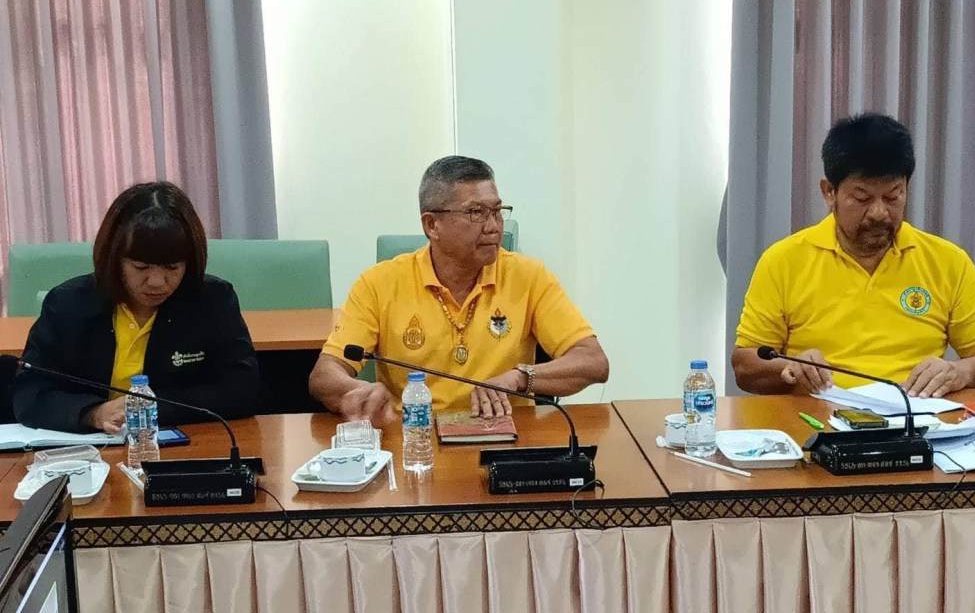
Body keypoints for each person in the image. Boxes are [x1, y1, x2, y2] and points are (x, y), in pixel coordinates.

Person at [309, 156, 609, 426]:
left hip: (505, 438)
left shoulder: (528, 276)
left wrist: (520, 377)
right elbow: (325, 374)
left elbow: (593, 362)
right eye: (476, 213)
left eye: (497, 211)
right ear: (432, 225)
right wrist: (357, 391)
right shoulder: (379, 283)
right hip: (415, 439)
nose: (494, 227)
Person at [731, 113, 975, 398]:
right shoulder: (784, 260)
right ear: (829, 192)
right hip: (817, 415)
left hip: (914, 415)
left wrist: (960, 372)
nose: (879, 213)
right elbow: (745, 365)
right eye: (862, 198)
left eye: (893, 197)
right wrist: (790, 367)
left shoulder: (947, 261)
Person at [13, 181, 260, 433]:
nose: (157, 282)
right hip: (90, 445)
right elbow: (29, 393)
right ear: (114, 259)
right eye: (141, 267)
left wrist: (150, 407)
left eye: (173, 267)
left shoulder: (213, 300)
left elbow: (243, 390)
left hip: (175, 442)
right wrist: (92, 413)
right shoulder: (67, 304)